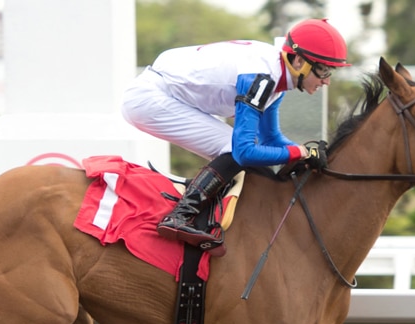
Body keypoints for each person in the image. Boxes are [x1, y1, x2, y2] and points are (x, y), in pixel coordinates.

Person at [121, 19, 350, 253]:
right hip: (150, 98)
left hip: (164, 92)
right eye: (323, 70)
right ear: (299, 61)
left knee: (244, 152)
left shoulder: (279, 75)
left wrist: (304, 152)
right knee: (233, 149)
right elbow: (244, 151)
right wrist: (299, 151)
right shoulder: (261, 76)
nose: (327, 80)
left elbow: (271, 139)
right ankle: (180, 216)